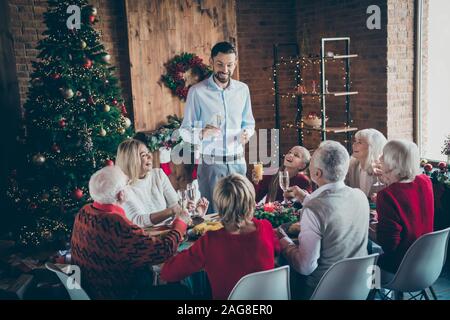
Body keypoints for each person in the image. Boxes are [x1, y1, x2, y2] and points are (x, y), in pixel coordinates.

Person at [70, 166, 192, 299]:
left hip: (91, 290)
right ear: (121, 194)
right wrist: (180, 223)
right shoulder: (116, 224)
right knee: (181, 292)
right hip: (119, 294)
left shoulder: (85, 211)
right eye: (127, 184)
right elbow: (164, 251)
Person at [160, 174, 280, 300]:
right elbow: (276, 249)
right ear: (251, 203)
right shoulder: (265, 228)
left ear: (220, 207)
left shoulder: (210, 242)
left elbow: (168, 273)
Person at [278, 141, 369, 299]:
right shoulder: (360, 196)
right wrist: (304, 197)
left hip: (323, 291)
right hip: (360, 286)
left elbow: (305, 267)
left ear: (317, 174)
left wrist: (283, 241)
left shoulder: (313, 209)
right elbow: (333, 209)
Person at [179, 41, 256, 213]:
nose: (225, 70)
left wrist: (247, 133)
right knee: (214, 216)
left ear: (235, 63)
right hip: (211, 165)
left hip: (238, 162)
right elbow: (184, 131)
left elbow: (249, 123)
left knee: (240, 213)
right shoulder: (197, 92)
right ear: (211, 62)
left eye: (230, 65)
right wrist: (201, 133)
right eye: (220, 64)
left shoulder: (243, 90)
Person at [115, 139, 208, 227]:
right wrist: (172, 210)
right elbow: (138, 221)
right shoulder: (123, 189)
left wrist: (196, 212)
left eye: (148, 152)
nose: (150, 156)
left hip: (169, 231)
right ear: (132, 161)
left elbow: (176, 206)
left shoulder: (158, 175)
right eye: (144, 155)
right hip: (147, 239)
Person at [373, 140, 434, 273]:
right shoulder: (425, 181)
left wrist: (371, 229)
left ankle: (373, 291)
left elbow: (389, 245)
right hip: (429, 261)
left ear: (392, 162)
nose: (380, 158)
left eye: (383, 155)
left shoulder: (387, 195)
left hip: (402, 266)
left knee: (367, 257)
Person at [345, 128, 387, 198]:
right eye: (355, 141)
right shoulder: (352, 167)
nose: (354, 145)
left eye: (359, 142)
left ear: (372, 147)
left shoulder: (383, 171)